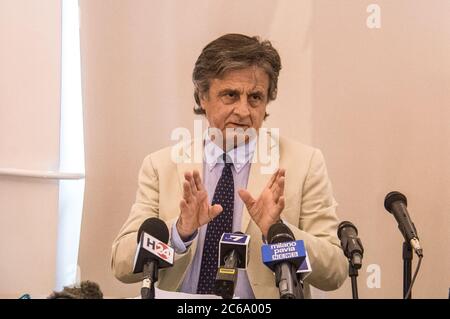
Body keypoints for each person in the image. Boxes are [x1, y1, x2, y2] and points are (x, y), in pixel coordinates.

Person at [111, 33, 347, 299]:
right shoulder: (161, 165)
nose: (244, 111)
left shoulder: (304, 163)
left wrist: (278, 231)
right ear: (203, 96)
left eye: (255, 97)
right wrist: (179, 232)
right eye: (230, 95)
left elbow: (334, 272)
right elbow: (121, 264)